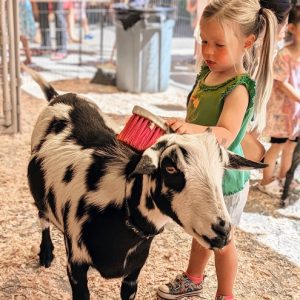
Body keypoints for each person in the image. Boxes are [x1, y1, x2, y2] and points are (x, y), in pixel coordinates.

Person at [156, 0, 279, 299]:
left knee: (223, 242)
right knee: (202, 231)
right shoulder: (206, 74)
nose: (208, 51)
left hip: (226, 180)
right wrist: (183, 126)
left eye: (219, 44)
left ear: (247, 42)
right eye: (204, 41)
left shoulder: (238, 86)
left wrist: (190, 128)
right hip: (204, 174)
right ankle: (193, 278)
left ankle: (226, 294)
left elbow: (226, 133)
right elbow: (200, 120)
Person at [258, 4, 300, 197]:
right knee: (277, 146)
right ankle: (266, 181)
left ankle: (283, 177)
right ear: (291, 28)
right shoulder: (284, 55)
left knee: (291, 146)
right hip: (282, 112)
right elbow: (282, 83)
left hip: (296, 114)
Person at [19, 0, 36, 65]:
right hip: (22, 6)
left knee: (23, 36)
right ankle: (28, 58)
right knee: (23, 36)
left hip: (22, 7)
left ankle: (28, 58)